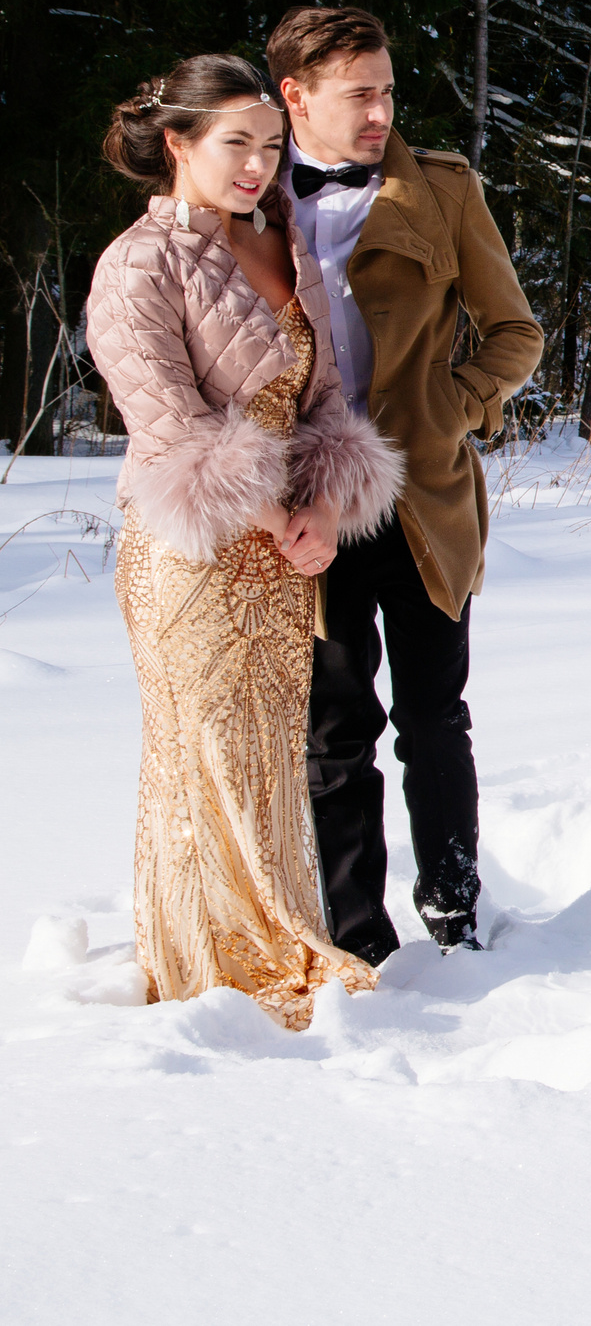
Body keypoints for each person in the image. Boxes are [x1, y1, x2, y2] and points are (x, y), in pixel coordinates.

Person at [88, 54, 405, 1029]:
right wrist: (273, 514)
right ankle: (203, 967)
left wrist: (322, 508)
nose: (258, 167)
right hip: (189, 553)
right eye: (237, 145)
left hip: (277, 560)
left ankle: (273, 938)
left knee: (268, 754)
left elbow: (319, 400)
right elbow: (166, 422)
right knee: (201, 753)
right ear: (177, 143)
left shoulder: (284, 245)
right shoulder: (137, 263)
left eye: (271, 147)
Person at [266, 6, 542, 961]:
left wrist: (453, 409)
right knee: (334, 727)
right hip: (305, 509)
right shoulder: (253, 199)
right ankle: (356, 937)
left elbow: (517, 332)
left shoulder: (443, 191)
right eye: (359, 94)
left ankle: (455, 911)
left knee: (434, 717)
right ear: (295, 96)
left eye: (388, 89)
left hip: (423, 498)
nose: (382, 110)